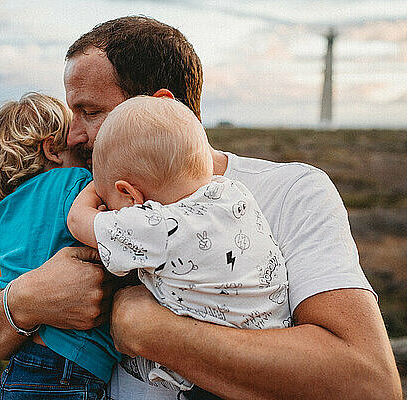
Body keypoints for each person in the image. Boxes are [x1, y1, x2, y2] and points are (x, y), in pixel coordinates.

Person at [0, 16, 402, 399]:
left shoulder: (291, 192)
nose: (72, 137)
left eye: (89, 112)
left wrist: (150, 329)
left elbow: (369, 382)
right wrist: (26, 299)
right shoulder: (88, 195)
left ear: (161, 106)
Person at [67, 95, 292, 392]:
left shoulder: (157, 228)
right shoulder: (232, 192)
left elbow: (77, 220)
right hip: (276, 349)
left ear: (129, 195)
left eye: (110, 203)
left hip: (213, 378)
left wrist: (97, 183)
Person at [0, 92, 119, 399]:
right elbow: (112, 221)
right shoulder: (73, 182)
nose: (83, 153)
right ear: (52, 149)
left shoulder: (4, 210)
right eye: (75, 149)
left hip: (21, 362)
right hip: (68, 368)